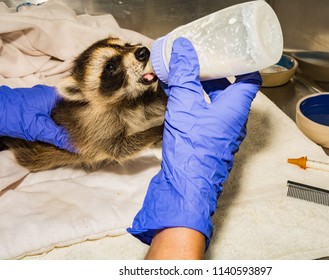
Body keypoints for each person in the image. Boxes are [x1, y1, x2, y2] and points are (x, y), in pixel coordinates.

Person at [0, 37, 262, 259]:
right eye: (112, 65)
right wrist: (159, 133)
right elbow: (117, 148)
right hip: (26, 153)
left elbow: (148, 105)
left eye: (124, 45)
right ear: (79, 93)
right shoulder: (93, 119)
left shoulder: (117, 96)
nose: (135, 51)